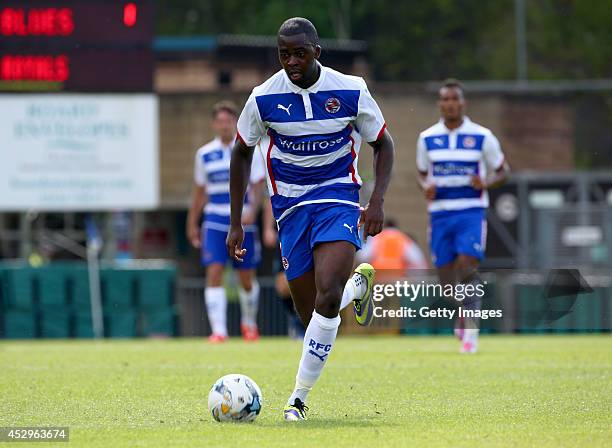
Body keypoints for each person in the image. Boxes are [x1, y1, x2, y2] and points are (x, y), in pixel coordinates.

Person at [226, 18, 394, 421]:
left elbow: (383, 144)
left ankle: (297, 399)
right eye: (284, 54)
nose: (291, 61)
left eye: (299, 53)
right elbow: (240, 153)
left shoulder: (350, 90)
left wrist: (376, 202)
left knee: (327, 295)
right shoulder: (263, 98)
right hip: (290, 208)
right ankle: (359, 287)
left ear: (316, 51)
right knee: (313, 316)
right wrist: (237, 222)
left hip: (338, 196)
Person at [416, 79, 509, 354]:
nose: (450, 104)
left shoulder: (482, 136)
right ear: (439, 104)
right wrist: (425, 187)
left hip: (470, 210)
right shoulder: (427, 138)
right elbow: (422, 172)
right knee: (446, 278)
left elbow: (503, 170)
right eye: (445, 99)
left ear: (463, 103)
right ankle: (461, 312)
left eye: (454, 99)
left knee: (467, 264)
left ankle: (471, 329)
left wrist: (487, 182)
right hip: (440, 214)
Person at [186, 100, 265, 343]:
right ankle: (219, 331)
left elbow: (259, 185)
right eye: (220, 121)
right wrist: (192, 223)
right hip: (214, 219)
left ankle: (249, 323)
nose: (224, 125)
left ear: (236, 122)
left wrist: (253, 209)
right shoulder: (204, 154)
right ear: (213, 124)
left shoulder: (249, 149)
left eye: (228, 121)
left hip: (242, 220)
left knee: (246, 276)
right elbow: (200, 192)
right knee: (214, 271)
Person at [357, 218, 429, 275]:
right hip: (397, 275)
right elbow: (417, 259)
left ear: (384, 227)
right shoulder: (402, 238)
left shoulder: (377, 238)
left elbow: (363, 256)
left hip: (378, 275)